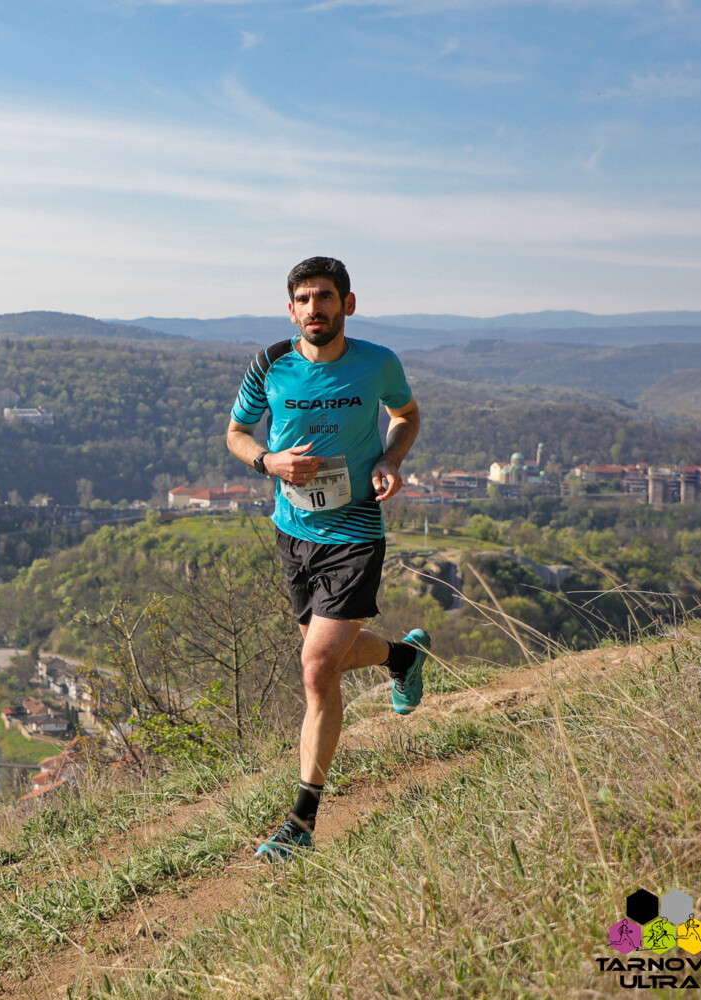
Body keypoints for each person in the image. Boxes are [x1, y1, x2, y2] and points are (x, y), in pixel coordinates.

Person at [225, 256, 430, 861]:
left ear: (348, 303)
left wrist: (390, 461)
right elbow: (236, 434)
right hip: (294, 532)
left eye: (325, 298)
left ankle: (300, 823)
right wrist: (269, 462)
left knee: (316, 669)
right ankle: (403, 656)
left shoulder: (377, 363)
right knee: (329, 655)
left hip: (357, 529)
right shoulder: (269, 365)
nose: (315, 309)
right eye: (304, 300)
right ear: (291, 309)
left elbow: (406, 416)